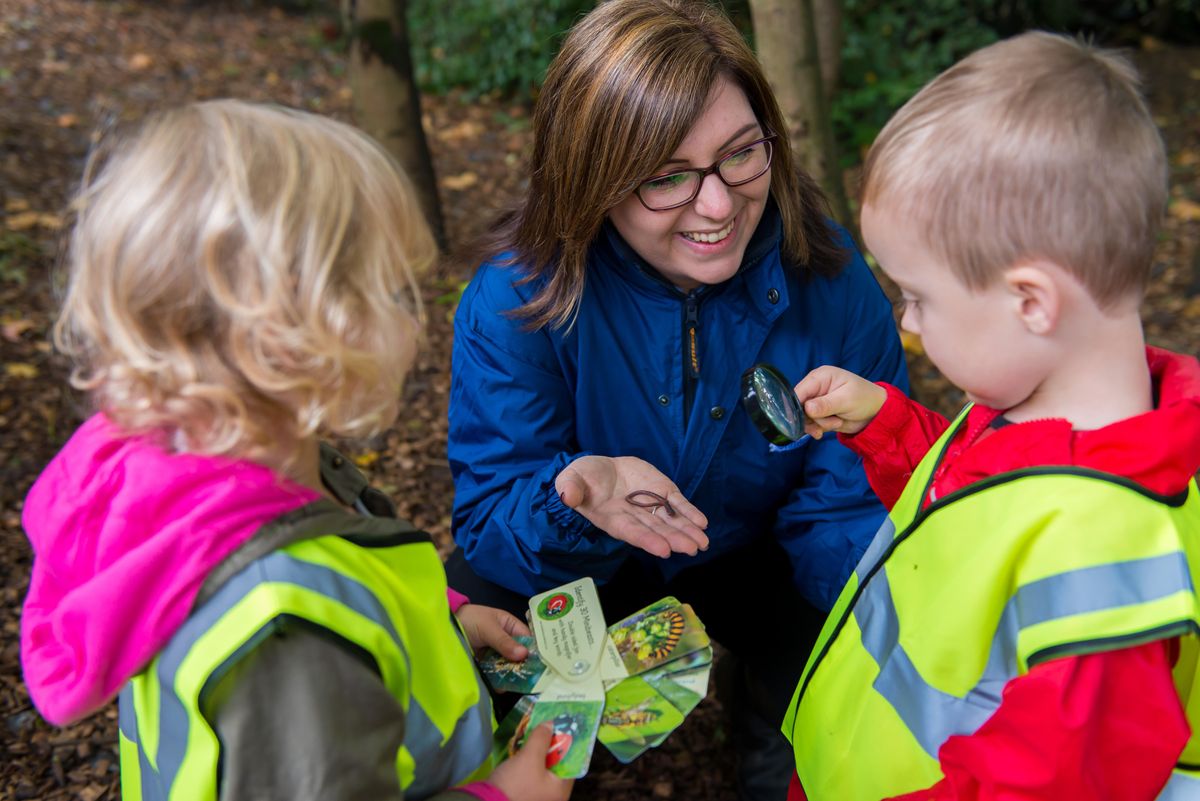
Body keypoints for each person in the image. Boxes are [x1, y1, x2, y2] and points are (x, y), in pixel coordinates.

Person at [19, 100, 572, 801]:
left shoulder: (177, 488)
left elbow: (346, 578)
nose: (418, 314)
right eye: (393, 288)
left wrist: (444, 622)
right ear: (296, 334)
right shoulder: (286, 635)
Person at [444, 1, 909, 797]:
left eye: (740, 155)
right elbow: (492, 520)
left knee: (840, 655)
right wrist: (571, 503)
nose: (719, 205)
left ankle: (777, 717)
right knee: (490, 629)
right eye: (667, 175)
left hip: (757, 543)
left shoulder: (829, 279)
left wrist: (879, 628)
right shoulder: (519, 299)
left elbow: (844, 500)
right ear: (593, 175)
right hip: (593, 557)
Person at [781, 32, 1200, 800]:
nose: (906, 323)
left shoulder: (1103, 564)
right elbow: (976, 514)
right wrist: (886, 424)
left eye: (919, 297)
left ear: (1030, 301)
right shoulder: (1043, 414)